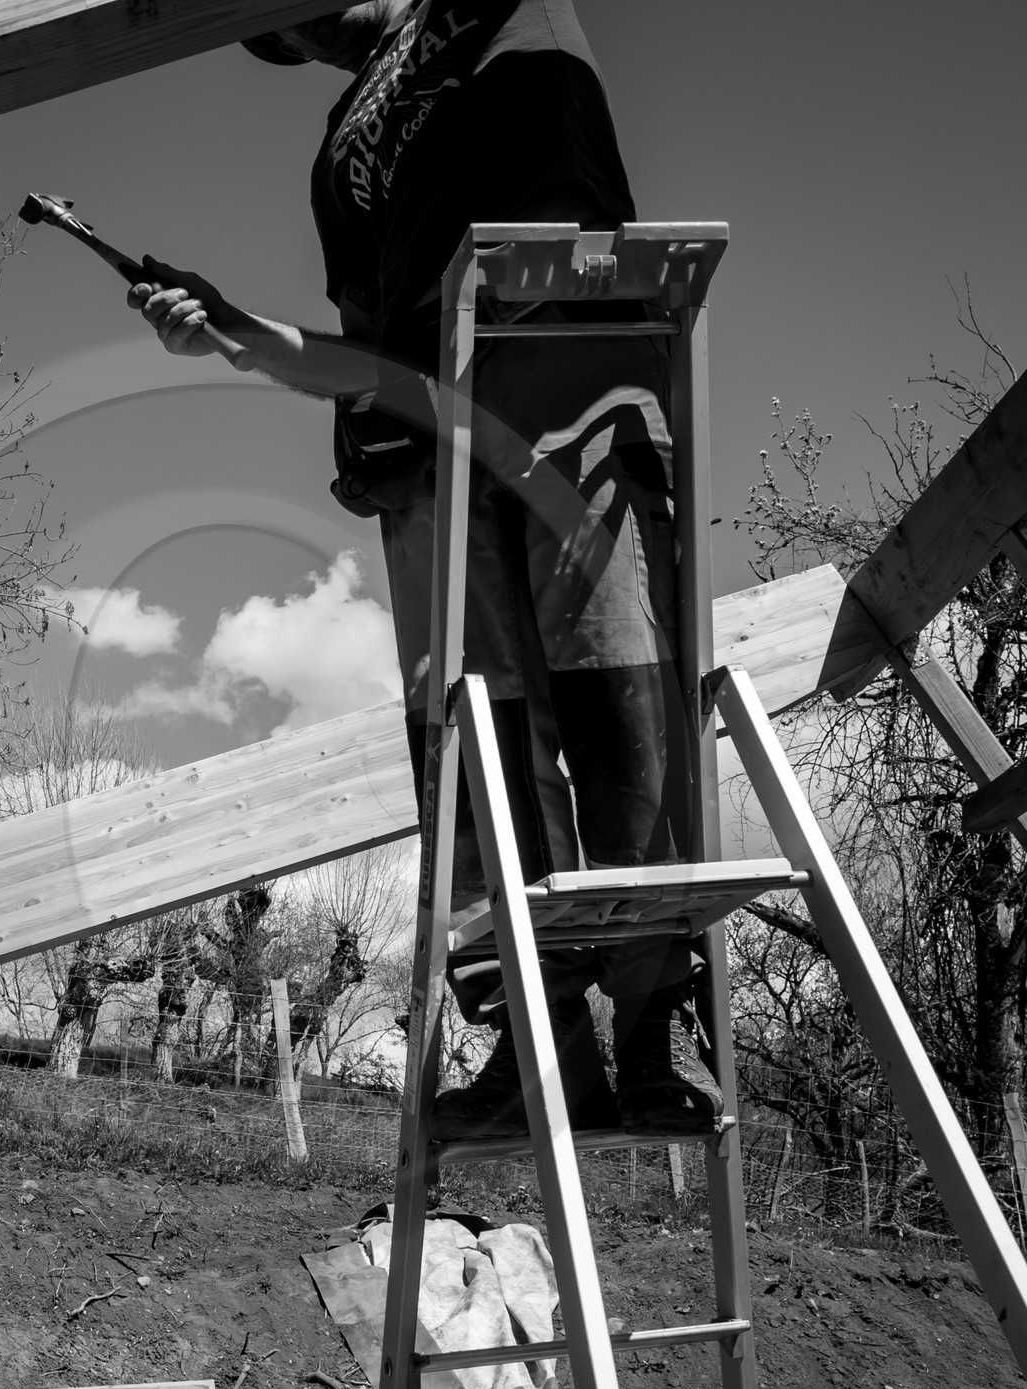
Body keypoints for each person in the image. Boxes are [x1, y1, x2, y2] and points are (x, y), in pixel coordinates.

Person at [123, 0, 722, 1138]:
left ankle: (653, 1024)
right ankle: (536, 1040)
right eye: (279, 36)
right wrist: (235, 332)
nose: (299, 30)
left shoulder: (482, 14)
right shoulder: (339, 154)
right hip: (434, 459)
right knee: (469, 751)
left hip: (569, 386)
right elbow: (371, 358)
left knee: (621, 702)